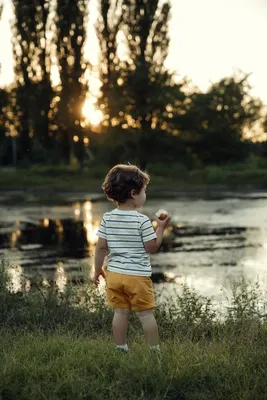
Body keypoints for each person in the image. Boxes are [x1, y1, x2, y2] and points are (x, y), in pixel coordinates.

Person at [93, 164, 171, 352]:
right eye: (144, 191)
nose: (145, 194)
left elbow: (101, 247)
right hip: (136, 276)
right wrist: (160, 228)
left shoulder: (107, 218)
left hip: (114, 276)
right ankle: (155, 352)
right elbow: (151, 247)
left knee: (119, 313)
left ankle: (121, 348)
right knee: (145, 315)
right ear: (134, 193)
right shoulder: (141, 220)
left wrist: (97, 270)